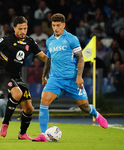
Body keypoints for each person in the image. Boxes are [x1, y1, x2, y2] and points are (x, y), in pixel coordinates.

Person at [32, 13, 108, 142]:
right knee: (44, 101)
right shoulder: (50, 41)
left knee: (84, 107)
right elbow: (49, 59)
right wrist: (44, 75)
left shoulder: (72, 39)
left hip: (72, 79)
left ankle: (94, 112)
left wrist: (79, 76)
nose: (56, 28)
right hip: (55, 79)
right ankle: (43, 134)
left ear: (64, 25)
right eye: (53, 25)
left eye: (58, 25)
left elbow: (81, 58)